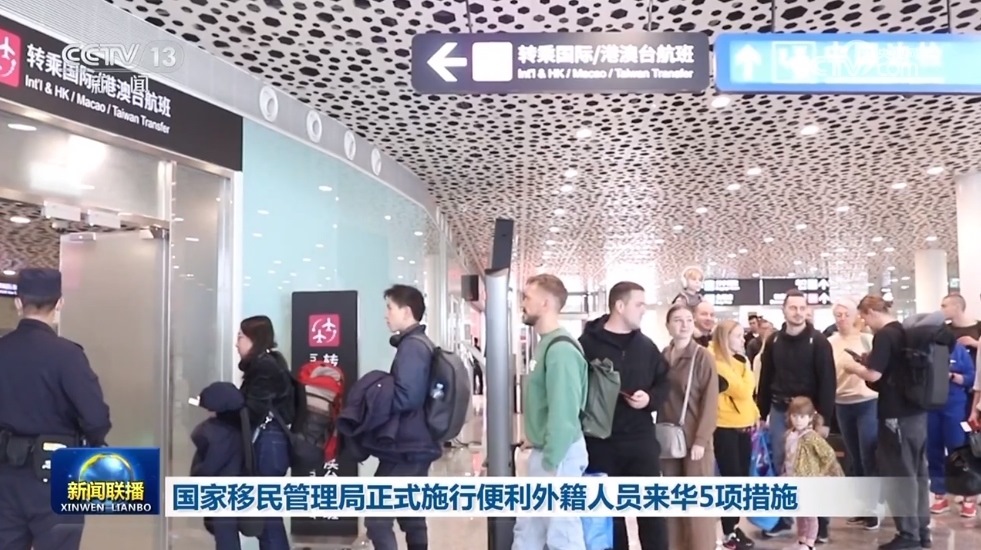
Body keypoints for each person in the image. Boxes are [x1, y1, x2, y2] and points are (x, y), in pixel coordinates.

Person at [0, 268, 111, 550]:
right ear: (60, 303)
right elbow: (96, 418)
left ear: (18, 303)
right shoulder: (68, 355)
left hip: (5, 476)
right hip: (59, 473)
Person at [578, 281, 668, 550]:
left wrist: (650, 399)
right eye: (639, 304)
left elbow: (665, 383)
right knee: (609, 516)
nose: (643, 309)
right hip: (600, 443)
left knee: (652, 514)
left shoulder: (646, 347)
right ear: (619, 305)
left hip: (640, 441)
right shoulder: (586, 346)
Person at [846, 299, 933, 550]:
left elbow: (874, 375)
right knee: (918, 473)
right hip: (917, 413)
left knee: (899, 474)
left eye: (864, 317)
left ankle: (908, 534)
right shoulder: (906, 332)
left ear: (872, 312)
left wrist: (853, 368)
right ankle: (922, 531)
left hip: (896, 416)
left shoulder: (885, 335)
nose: (865, 323)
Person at [513, 274, 589, 550]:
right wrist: (534, 437)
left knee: (562, 533)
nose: (522, 303)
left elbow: (564, 412)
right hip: (547, 451)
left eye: (527, 297)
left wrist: (552, 461)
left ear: (545, 303)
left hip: (559, 455)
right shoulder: (546, 344)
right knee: (529, 530)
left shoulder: (560, 350)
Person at [365, 285, 442, 550]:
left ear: (406, 311)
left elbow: (407, 397)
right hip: (419, 442)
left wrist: (377, 402)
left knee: (377, 517)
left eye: (390, 308)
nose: (386, 314)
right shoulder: (421, 343)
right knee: (412, 514)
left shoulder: (412, 347)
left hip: (405, 446)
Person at [755, 290, 836, 542]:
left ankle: (820, 522)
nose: (798, 312)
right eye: (793, 308)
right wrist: (761, 412)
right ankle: (783, 519)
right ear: (784, 310)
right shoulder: (774, 341)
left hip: (809, 415)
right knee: (782, 465)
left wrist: (825, 419)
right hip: (780, 410)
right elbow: (766, 377)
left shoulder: (818, 341)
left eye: (802, 308)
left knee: (812, 469)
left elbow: (828, 382)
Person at [658, 304, 719, 550]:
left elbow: (710, 402)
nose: (684, 325)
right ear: (668, 326)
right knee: (673, 501)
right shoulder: (663, 356)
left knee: (696, 503)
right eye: (677, 320)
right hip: (668, 439)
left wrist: (701, 440)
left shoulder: (702, 357)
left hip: (695, 438)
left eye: (688, 320)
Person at [237, 315, 295, 550]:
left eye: (240, 337)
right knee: (267, 514)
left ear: (255, 339)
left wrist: (227, 406)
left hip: (267, 445)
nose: (236, 343)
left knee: (267, 515)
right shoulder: (270, 362)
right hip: (272, 444)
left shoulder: (264, 367)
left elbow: (254, 408)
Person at [827, 298, 879, 530]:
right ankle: (862, 507)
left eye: (845, 314)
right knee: (854, 457)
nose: (841, 319)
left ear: (855, 315)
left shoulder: (867, 339)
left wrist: (858, 368)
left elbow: (876, 370)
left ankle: (873, 508)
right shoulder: (830, 342)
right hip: (842, 403)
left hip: (867, 401)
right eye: (837, 315)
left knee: (868, 455)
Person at [710, 319, 759, 550]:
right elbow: (743, 389)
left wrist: (755, 414)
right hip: (724, 427)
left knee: (741, 480)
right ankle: (728, 531)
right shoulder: (714, 361)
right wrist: (746, 374)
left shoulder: (740, 360)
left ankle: (733, 526)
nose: (742, 340)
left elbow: (748, 393)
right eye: (738, 336)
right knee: (731, 479)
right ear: (725, 337)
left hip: (744, 424)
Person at [190, 381, 250, 550]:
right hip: (233, 486)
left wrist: (197, 476)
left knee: (224, 536)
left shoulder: (214, 433)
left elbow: (209, 466)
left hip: (220, 490)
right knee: (228, 534)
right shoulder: (240, 429)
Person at [783, 397, 845, 550]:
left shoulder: (811, 437)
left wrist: (821, 473)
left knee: (811, 514)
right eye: (795, 416)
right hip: (794, 479)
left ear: (810, 417)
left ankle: (810, 543)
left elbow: (828, 454)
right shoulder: (790, 434)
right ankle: (801, 540)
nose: (798, 420)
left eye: (802, 416)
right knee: (800, 513)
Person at [926, 342, 976, 517]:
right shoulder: (926, 349)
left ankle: (968, 495)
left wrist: (952, 376)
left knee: (959, 451)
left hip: (955, 406)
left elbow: (972, 378)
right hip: (931, 407)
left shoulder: (959, 351)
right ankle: (939, 494)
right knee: (933, 450)